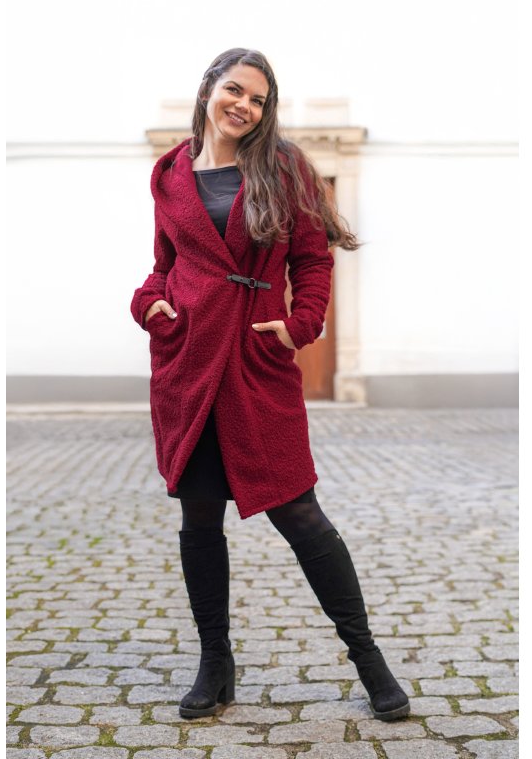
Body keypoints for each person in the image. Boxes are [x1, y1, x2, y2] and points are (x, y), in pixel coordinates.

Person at [130, 48, 410, 722]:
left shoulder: (284, 168)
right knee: (200, 517)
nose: (244, 106)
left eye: (258, 99)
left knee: (301, 514)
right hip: (190, 364)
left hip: (256, 364)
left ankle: (369, 659)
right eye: (235, 90)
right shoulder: (168, 172)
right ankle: (215, 664)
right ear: (209, 89)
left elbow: (313, 261)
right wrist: (150, 302)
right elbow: (165, 263)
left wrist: (301, 324)